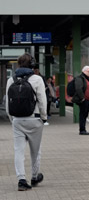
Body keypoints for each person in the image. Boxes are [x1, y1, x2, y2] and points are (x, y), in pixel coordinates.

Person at [6, 53, 47, 191]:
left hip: (17, 120)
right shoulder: (37, 79)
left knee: (18, 150)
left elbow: (7, 104)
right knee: (35, 150)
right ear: (32, 65)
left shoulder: (11, 80)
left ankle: (21, 180)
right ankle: (34, 176)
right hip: (34, 119)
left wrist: (13, 119)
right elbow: (42, 101)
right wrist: (44, 117)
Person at [72, 66, 89, 135]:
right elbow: (79, 88)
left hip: (88, 100)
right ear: (84, 71)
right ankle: (82, 130)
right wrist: (82, 98)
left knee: (85, 114)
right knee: (82, 114)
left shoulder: (87, 78)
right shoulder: (80, 78)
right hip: (84, 100)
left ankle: (83, 129)